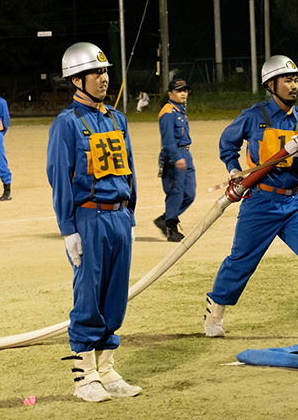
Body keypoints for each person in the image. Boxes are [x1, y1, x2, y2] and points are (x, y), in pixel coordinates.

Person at [203, 55, 298, 338]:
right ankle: (216, 309)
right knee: (241, 260)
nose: (293, 85)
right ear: (271, 84)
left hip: (293, 203)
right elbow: (227, 143)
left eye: (295, 79)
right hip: (260, 201)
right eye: (287, 79)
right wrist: (234, 170)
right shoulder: (253, 116)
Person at [47, 42, 141, 402]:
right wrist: (68, 229)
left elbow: (128, 168)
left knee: (115, 296)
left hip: (119, 217)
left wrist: (131, 211)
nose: (104, 78)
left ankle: (107, 368)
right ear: (76, 79)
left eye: (105, 71)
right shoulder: (66, 124)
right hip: (89, 217)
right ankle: (84, 377)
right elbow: (59, 176)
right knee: (89, 296)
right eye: (96, 72)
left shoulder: (118, 119)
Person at [153, 78, 196, 242]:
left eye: (185, 90)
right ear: (170, 93)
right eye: (179, 90)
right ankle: (172, 228)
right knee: (175, 193)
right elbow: (167, 141)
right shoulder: (167, 112)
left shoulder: (180, 110)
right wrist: (177, 158)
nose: (183, 93)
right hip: (173, 157)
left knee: (189, 194)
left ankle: (165, 219)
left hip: (186, 154)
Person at [0, 95, 11, 201]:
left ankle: (7, 191)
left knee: (0, 163)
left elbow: (6, 120)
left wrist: (1, 134)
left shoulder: (1, 102)